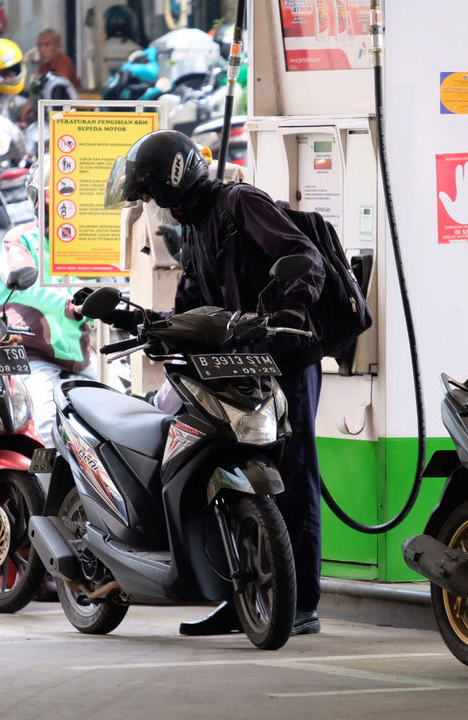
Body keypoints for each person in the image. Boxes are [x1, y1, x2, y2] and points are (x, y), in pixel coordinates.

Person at [105, 130, 327, 636]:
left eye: (152, 192)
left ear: (174, 180)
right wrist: (146, 324)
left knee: (290, 476)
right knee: (223, 477)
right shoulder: (197, 230)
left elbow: (303, 255)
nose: (152, 204)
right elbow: (190, 308)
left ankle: (301, 603)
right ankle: (244, 593)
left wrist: (291, 307)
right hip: (234, 365)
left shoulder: (239, 203)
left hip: (285, 360)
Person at [0, 160, 94, 445]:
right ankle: (42, 489)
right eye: (57, 201)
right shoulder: (20, 239)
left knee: (106, 424)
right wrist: (69, 306)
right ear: (40, 201)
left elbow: (99, 283)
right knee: (45, 425)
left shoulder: (80, 244)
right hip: (35, 355)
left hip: (79, 357)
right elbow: (28, 288)